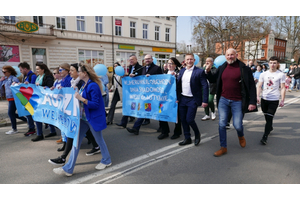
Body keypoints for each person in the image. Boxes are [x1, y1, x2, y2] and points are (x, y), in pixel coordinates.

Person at [53, 63, 111, 176]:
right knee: (76, 143)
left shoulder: (93, 85)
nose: (77, 73)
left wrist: (81, 98)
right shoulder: (85, 84)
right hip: (83, 119)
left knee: (100, 141)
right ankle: (68, 169)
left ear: (85, 73)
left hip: (92, 118)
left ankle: (107, 160)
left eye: (79, 71)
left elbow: (95, 104)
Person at [206, 48, 257, 157]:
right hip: (223, 100)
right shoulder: (222, 67)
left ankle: (241, 135)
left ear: (236, 55)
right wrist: (209, 71)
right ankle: (223, 147)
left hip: (238, 101)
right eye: (228, 55)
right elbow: (212, 79)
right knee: (222, 124)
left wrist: (252, 102)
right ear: (225, 56)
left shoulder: (244, 68)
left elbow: (252, 86)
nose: (230, 57)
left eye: (232, 55)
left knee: (237, 125)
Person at [48, 63, 101, 165]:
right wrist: (60, 90)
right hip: (77, 114)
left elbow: (94, 103)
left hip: (82, 114)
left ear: (82, 73)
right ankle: (66, 161)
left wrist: (80, 97)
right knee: (73, 134)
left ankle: (104, 156)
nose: (70, 72)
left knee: (76, 134)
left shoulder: (85, 83)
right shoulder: (74, 82)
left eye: (73, 70)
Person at [126, 54, 169, 136]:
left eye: (149, 59)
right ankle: (136, 128)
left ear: (152, 59)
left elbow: (161, 80)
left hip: (155, 95)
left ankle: (164, 129)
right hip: (146, 94)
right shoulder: (143, 68)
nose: (147, 60)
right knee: (144, 110)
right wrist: (134, 76)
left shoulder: (157, 68)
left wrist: (152, 77)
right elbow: (142, 78)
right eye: (146, 59)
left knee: (159, 111)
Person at [176, 53, 208, 146]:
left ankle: (197, 134)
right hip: (182, 99)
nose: (189, 61)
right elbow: (178, 86)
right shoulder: (182, 71)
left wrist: (205, 100)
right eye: (187, 59)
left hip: (193, 99)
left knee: (189, 119)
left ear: (194, 60)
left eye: (191, 59)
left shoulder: (199, 71)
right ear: (185, 61)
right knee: (183, 119)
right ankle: (187, 138)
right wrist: (178, 98)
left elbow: (205, 86)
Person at [257, 56, 286, 145]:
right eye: (271, 62)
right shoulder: (263, 74)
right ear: (268, 63)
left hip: (274, 99)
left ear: (277, 64)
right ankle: (270, 127)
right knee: (266, 116)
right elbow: (259, 85)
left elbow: (283, 88)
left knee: (269, 117)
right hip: (264, 98)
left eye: (274, 63)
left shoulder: (281, 74)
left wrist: (282, 100)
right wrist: (257, 96)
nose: (272, 64)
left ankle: (265, 137)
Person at [158, 57, 182, 139]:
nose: (169, 65)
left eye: (171, 63)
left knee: (176, 116)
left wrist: (175, 77)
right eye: (168, 63)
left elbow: (180, 87)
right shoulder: (165, 72)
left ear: (175, 65)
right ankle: (165, 132)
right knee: (161, 113)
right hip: (164, 98)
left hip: (174, 98)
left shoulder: (178, 73)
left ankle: (177, 132)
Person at [31, 63, 57, 142]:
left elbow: (50, 86)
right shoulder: (38, 77)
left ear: (43, 69)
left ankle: (42, 134)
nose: (37, 70)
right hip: (39, 100)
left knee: (44, 116)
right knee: (41, 116)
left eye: (38, 69)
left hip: (46, 100)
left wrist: (42, 87)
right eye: (36, 69)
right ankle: (47, 132)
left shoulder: (48, 76)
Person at [116, 55, 143, 128]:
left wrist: (135, 75)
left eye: (132, 59)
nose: (131, 61)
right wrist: (125, 76)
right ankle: (123, 122)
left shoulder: (140, 67)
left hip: (138, 91)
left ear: (136, 60)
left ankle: (144, 120)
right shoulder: (130, 67)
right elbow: (130, 76)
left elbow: (141, 76)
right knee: (128, 105)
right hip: (131, 91)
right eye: (130, 59)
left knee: (139, 106)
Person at [0, 65, 27, 135]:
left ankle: (14, 129)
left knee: (10, 113)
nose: (3, 73)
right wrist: (0, 81)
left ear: (9, 72)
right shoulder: (5, 79)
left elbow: (18, 87)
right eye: (2, 72)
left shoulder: (14, 78)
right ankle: (27, 120)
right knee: (12, 113)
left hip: (14, 98)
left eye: (4, 72)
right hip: (9, 98)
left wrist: (15, 84)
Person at [17, 62, 37, 136]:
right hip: (26, 98)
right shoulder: (25, 76)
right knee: (28, 114)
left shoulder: (32, 76)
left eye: (21, 70)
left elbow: (33, 87)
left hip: (32, 99)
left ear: (25, 69)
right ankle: (31, 128)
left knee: (32, 114)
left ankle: (33, 128)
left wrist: (26, 85)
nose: (20, 71)